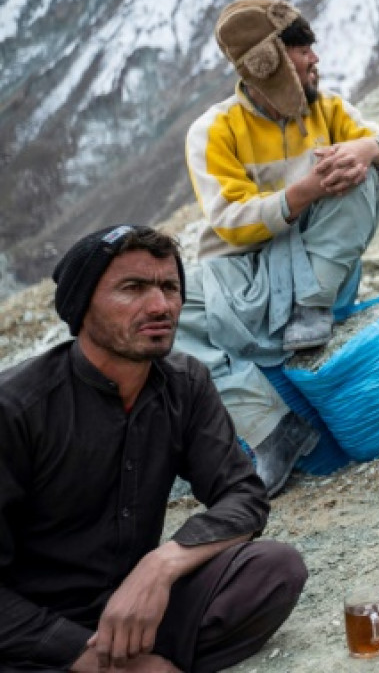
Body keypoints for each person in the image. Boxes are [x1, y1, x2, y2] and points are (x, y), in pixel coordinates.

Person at [0, 225, 305, 672]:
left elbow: (243, 495)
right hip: (31, 632)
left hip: (135, 611)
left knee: (274, 570)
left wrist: (160, 567)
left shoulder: (185, 384)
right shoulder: (17, 408)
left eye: (169, 288)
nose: (160, 306)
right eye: (133, 288)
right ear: (83, 305)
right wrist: (95, 660)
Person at [178, 0, 379, 497]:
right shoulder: (213, 130)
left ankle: (309, 309)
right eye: (301, 49)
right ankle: (273, 431)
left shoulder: (330, 110)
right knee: (165, 313)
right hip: (247, 276)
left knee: (358, 175)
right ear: (269, 61)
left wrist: (369, 149)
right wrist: (306, 190)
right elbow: (232, 221)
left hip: (318, 282)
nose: (314, 59)